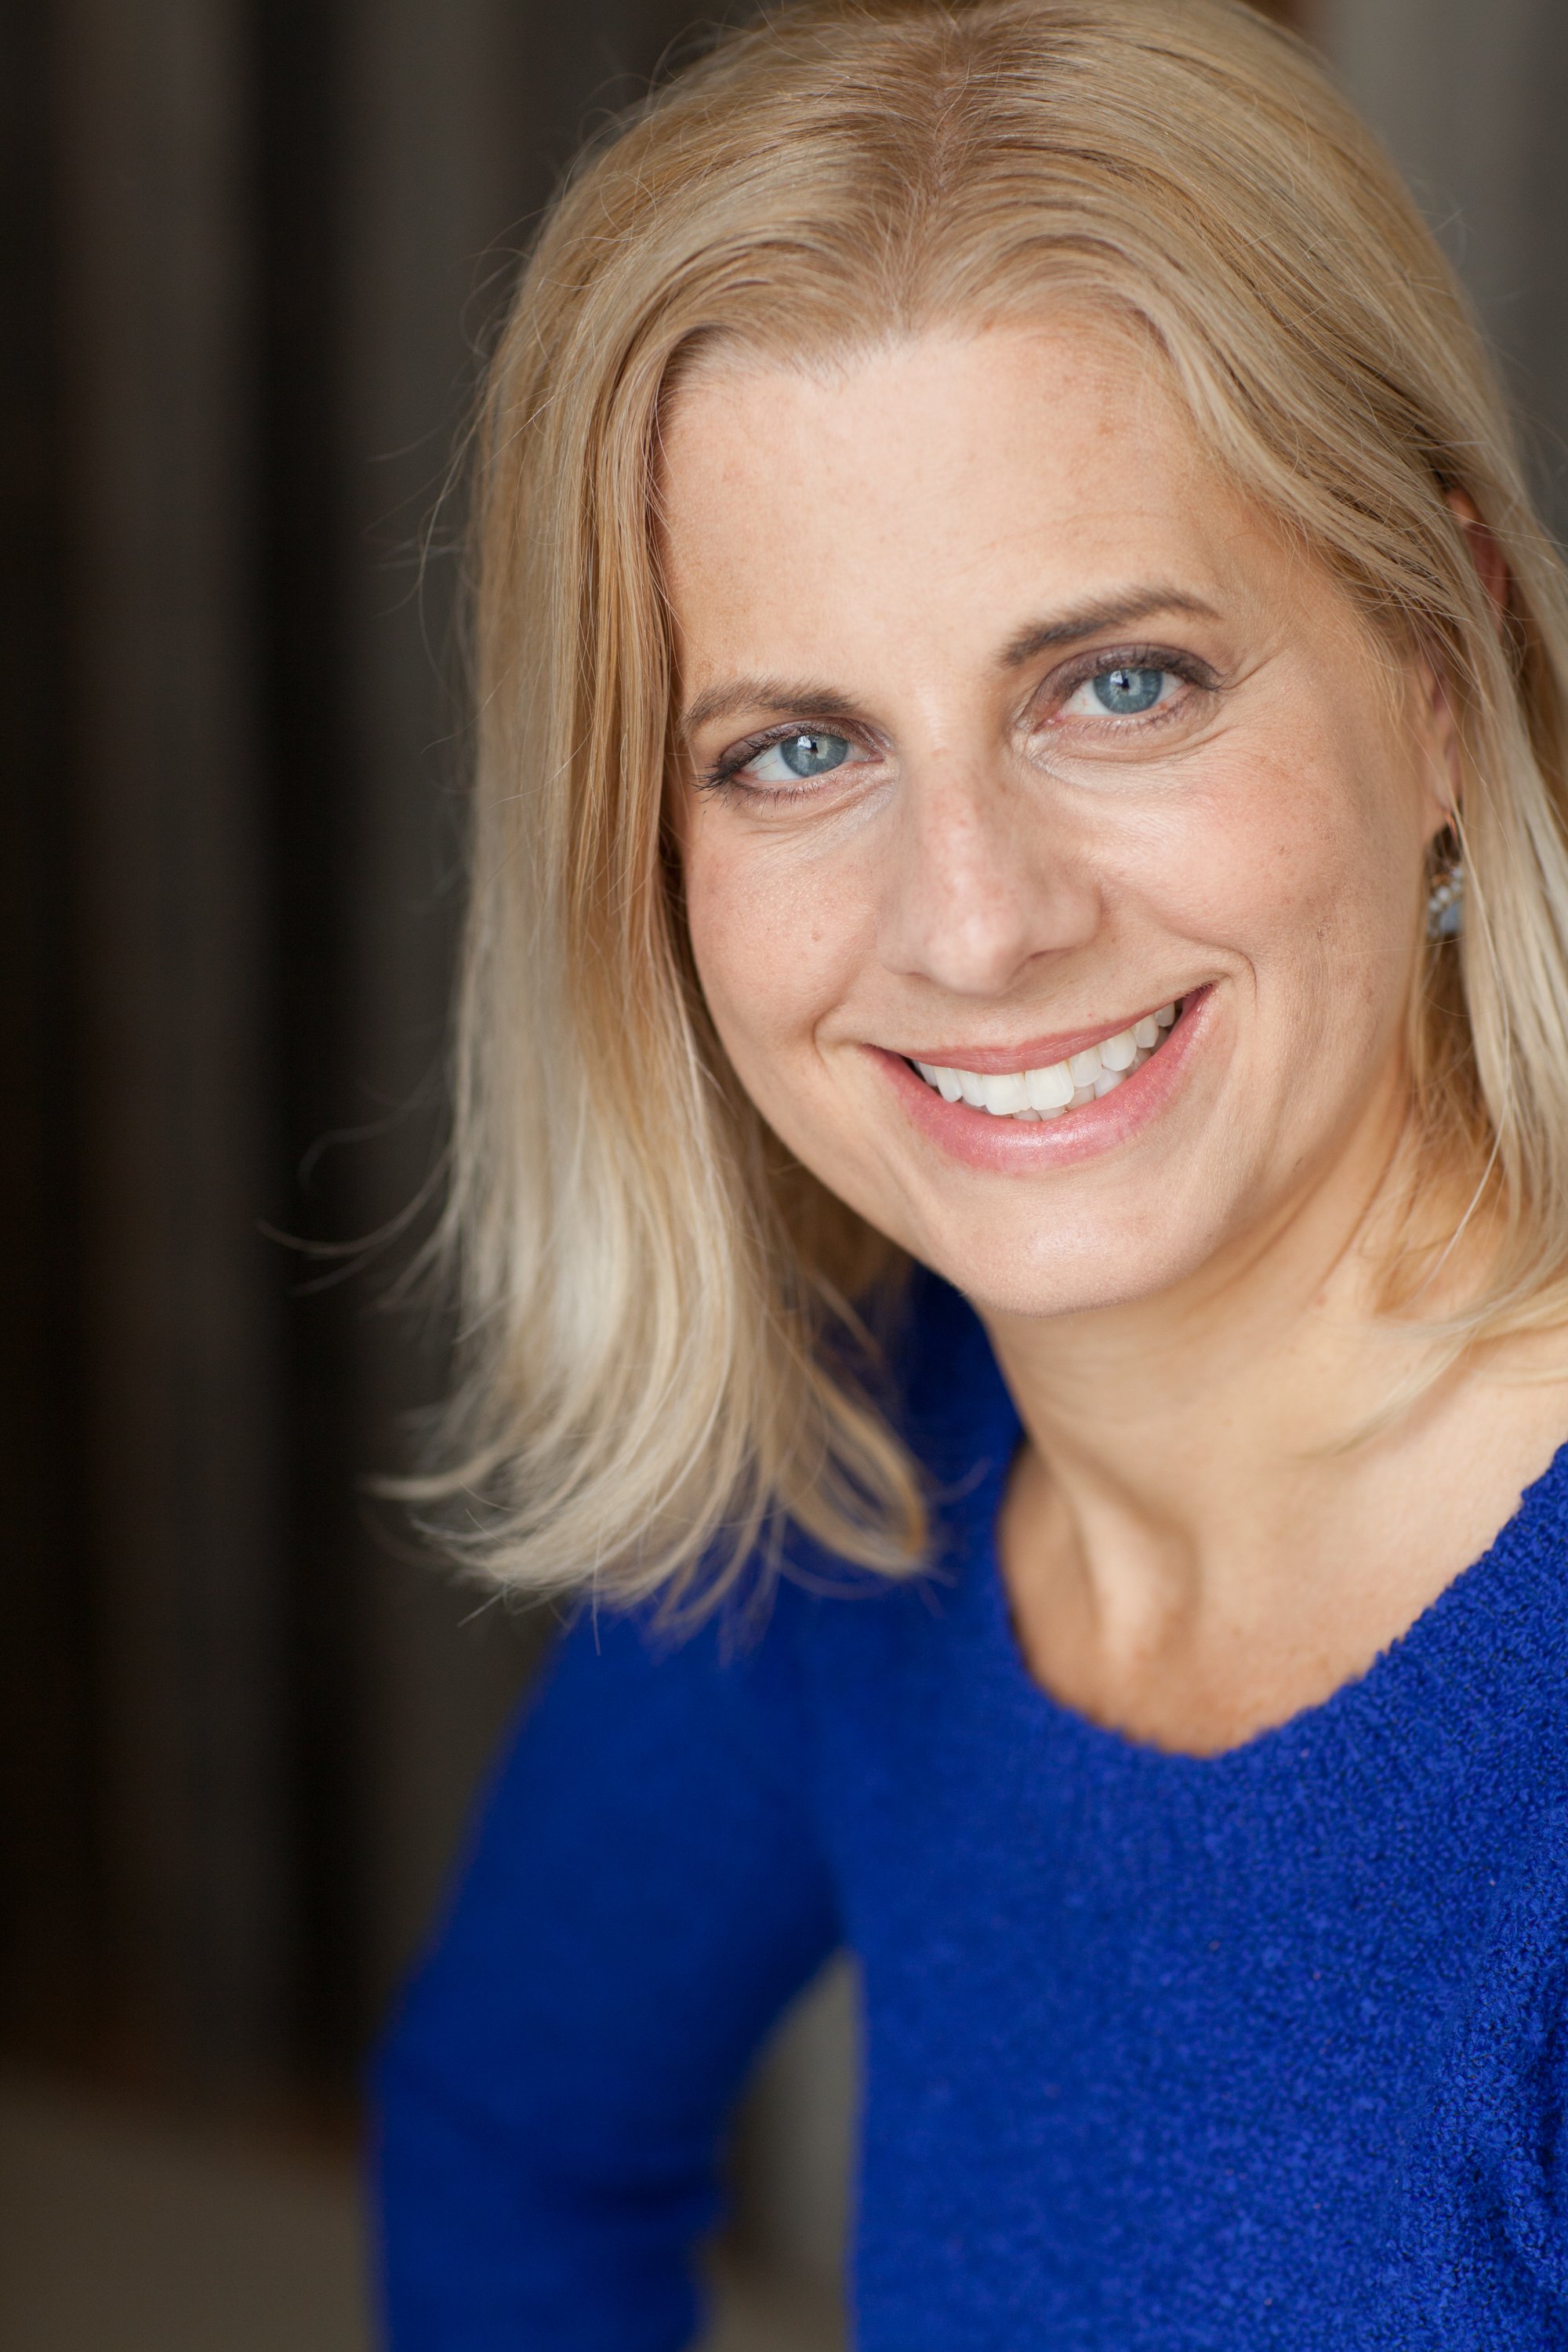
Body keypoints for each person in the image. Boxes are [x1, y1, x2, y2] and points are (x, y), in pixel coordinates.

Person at [372, 2, 1568, 2343]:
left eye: (1118, 683)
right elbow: (508, 2128)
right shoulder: (860, 1474)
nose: (976, 920)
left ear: (1444, 662)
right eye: (797, 746)